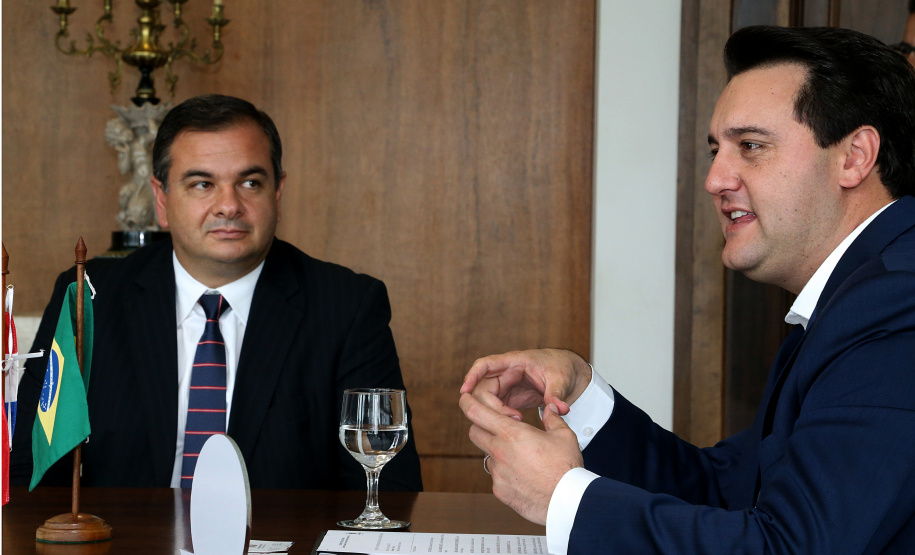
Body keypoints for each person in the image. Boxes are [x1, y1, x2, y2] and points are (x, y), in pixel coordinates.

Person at [460, 25, 915, 553]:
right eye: (715, 150)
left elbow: (792, 548)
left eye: (751, 146)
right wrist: (581, 394)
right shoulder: (857, 296)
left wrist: (562, 498)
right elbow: (727, 489)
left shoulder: (895, 306)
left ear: (855, 156)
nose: (716, 179)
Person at [11, 94, 423, 491]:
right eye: (202, 184)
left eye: (249, 182)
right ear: (161, 198)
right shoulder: (89, 296)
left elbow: (386, 488)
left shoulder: (347, 307)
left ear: (277, 192)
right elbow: (29, 466)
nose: (229, 205)